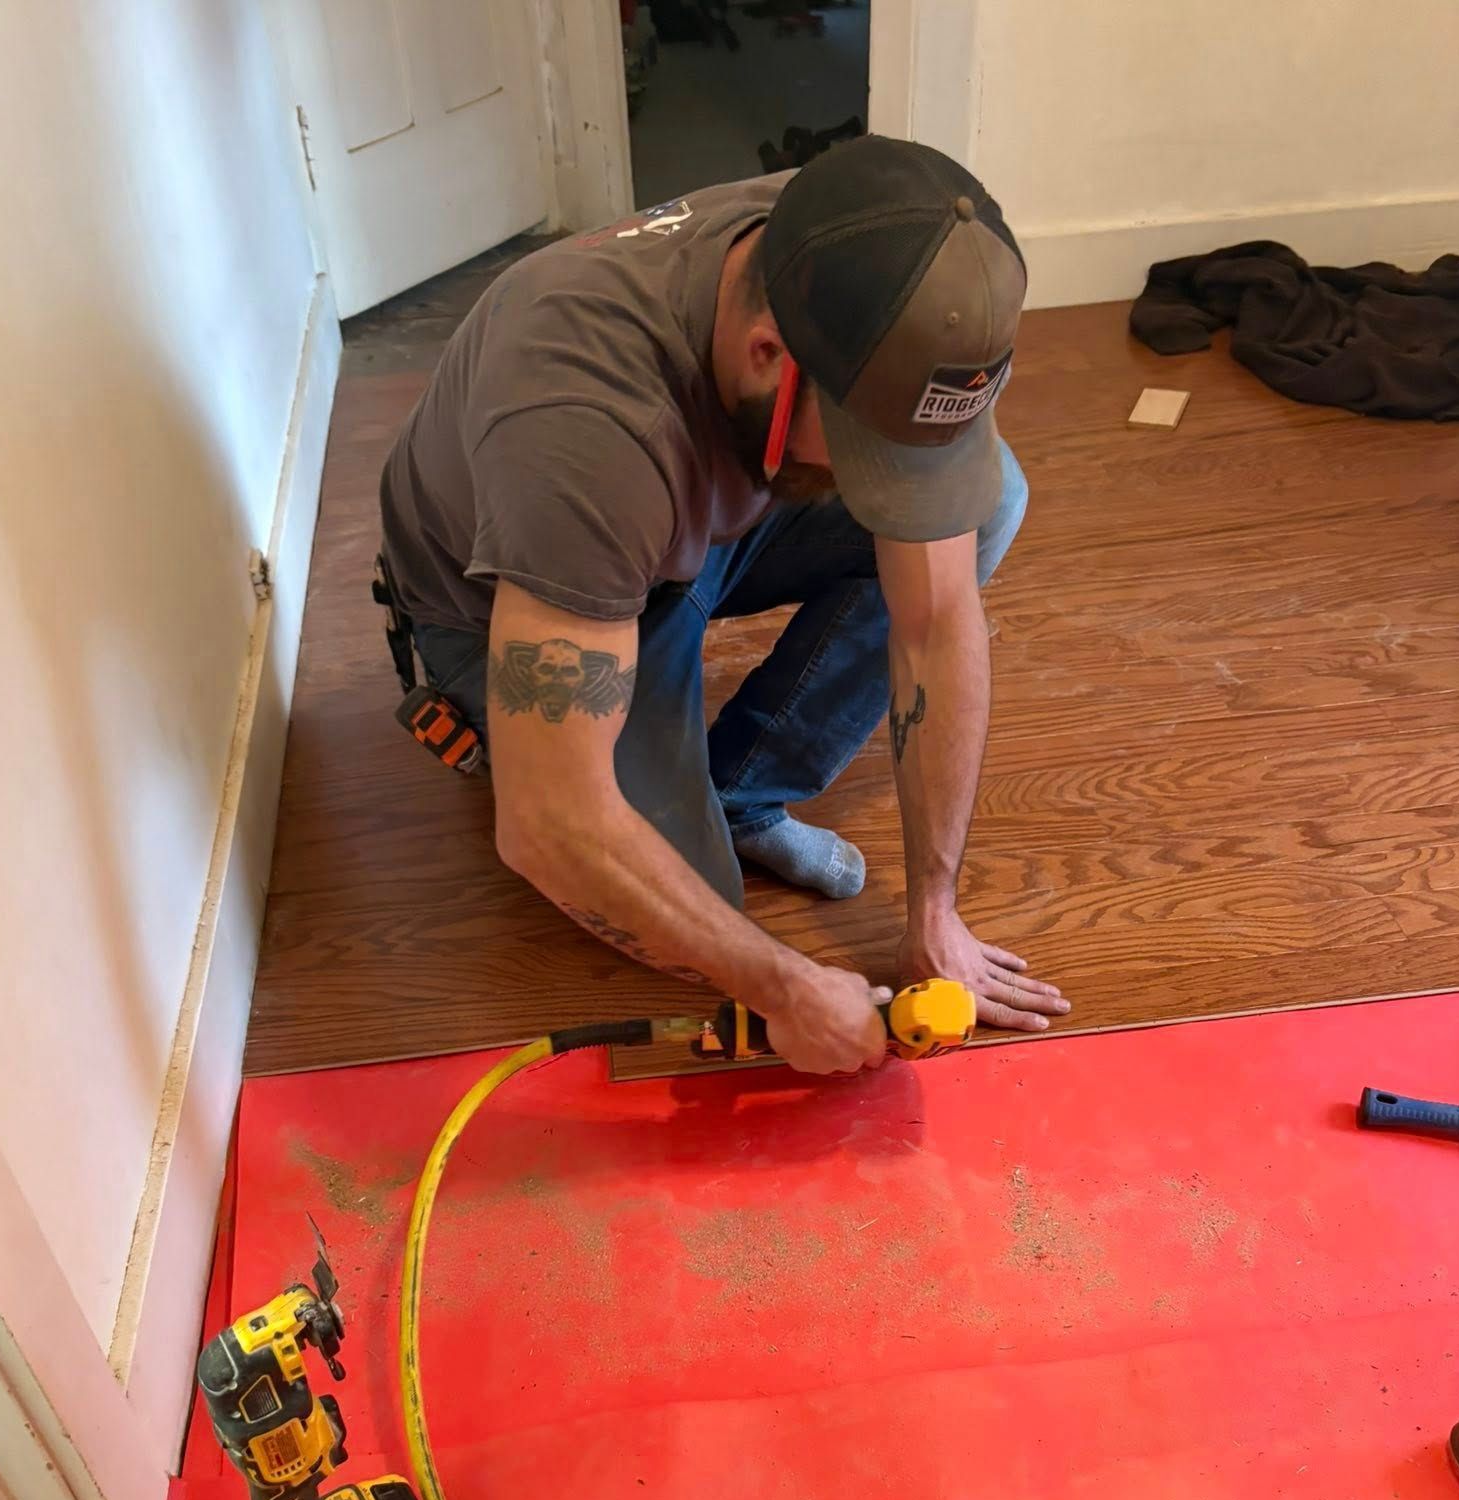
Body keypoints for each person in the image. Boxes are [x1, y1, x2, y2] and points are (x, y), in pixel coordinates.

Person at [378, 135, 1069, 1075]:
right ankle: (667, 794)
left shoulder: (884, 276)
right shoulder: (582, 423)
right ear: (766, 356)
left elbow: (938, 619)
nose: (891, 483)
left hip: (689, 515)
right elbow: (548, 824)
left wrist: (934, 908)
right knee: (689, 913)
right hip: (517, 592)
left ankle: (742, 789)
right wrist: (783, 987)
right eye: (872, 452)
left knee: (987, 505)